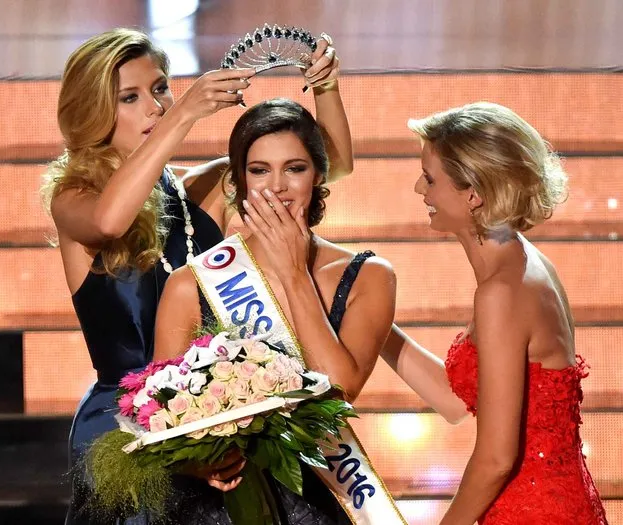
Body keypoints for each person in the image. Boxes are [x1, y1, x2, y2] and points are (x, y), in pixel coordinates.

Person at [40, 27, 352, 524]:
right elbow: (110, 220)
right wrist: (185, 113)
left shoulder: (195, 194)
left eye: (161, 88)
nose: (156, 107)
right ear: (93, 110)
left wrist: (327, 88)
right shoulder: (74, 199)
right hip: (124, 434)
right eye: (130, 97)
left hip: (212, 420)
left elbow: (321, 166)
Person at [153, 98, 397, 524]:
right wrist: (199, 463)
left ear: (319, 174)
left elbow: (338, 390)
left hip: (320, 499)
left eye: (295, 168)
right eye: (259, 169)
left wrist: (294, 273)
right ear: (240, 181)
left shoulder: (369, 276)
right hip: (216, 507)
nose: (277, 186)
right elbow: (161, 421)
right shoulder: (190, 284)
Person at [380, 102, 608, 524]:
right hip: (555, 503)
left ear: (474, 192)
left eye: (430, 179)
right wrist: (376, 326)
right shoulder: (523, 264)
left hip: (530, 512)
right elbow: (456, 401)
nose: (418, 189)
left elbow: (497, 459)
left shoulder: (501, 293)